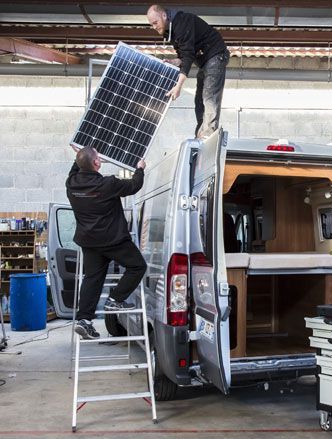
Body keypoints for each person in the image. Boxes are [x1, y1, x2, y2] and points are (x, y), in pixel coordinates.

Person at [66, 147, 147, 339]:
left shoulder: (71, 184)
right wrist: (140, 168)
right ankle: (115, 299)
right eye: (97, 157)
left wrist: (79, 157)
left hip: (89, 242)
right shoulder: (108, 184)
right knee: (137, 266)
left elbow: (75, 169)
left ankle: (84, 320)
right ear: (96, 163)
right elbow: (135, 185)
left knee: (92, 278)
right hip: (113, 240)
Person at [146, 4, 229, 139]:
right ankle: (200, 134)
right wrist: (175, 61)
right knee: (199, 100)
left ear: (164, 15)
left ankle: (208, 136)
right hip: (205, 61)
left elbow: (188, 55)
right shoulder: (170, 31)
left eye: (155, 22)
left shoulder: (182, 23)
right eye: (151, 24)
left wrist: (178, 86)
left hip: (215, 55)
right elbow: (184, 55)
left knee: (209, 97)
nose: (154, 27)